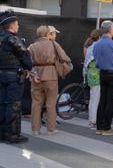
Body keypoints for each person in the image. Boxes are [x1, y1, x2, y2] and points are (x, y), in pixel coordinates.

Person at [28, 25, 71, 135]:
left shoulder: (32, 46)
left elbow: (27, 62)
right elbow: (65, 57)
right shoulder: (53, 44)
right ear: (47, 34)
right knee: (51, 103)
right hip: (51, 75)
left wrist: (33, 74)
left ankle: (35, 129)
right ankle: (51, 129)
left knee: (36, 103)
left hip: (36, 75)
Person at [0, 11, 35, 144]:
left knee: (2, 103)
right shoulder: (13, 38)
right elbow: (25, 57)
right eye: (17, 24)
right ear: (12, 25)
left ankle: (2, 133)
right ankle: (13, 134)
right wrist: (30, 67)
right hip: (13, 77)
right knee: (13, 105)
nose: (18, 26)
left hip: (1, 76)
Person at [83, 29, 102, 129]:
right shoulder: (97, 47)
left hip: (90, 73)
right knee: (96, 98)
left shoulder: (90, 47)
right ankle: (94, 120)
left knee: (92, 97)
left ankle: (91, 119)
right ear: (99, 37)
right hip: (97, 74)